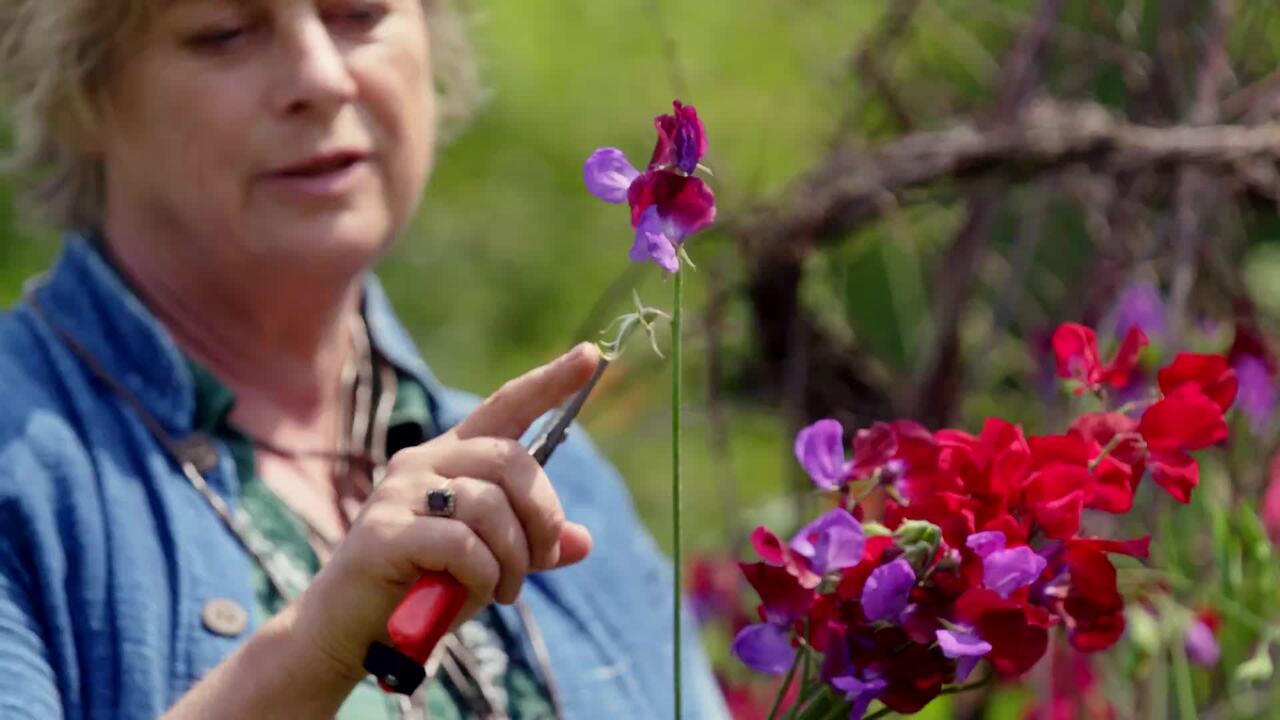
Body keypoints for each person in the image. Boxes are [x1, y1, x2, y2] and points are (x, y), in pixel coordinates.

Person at [0, 0, 727, 718]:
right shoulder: (25, 471)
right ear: (79, 93)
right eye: (224, 32)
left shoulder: (563, 484)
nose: (321, 76)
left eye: (359, 14)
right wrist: (314, 652)